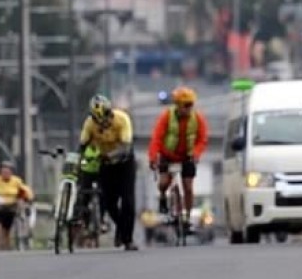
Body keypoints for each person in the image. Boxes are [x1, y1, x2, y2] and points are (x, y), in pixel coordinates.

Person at [79, 94, 138, 251]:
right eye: (97, 120)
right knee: (109, 203)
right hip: (105, 164)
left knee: (128, 202)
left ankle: (128, 239)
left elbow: (126, 147)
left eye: (104, 118)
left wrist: (110, 155)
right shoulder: (90, 124)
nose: (103, 123)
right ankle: (120, 227)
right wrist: (79, 160)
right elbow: (83, 145)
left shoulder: (122, 119)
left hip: (124, 163)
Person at [148, 86, 209, 236]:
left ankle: (187, 219)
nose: (189, 108)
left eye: (191, 105)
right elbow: (156, 138)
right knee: (163, 183)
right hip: (167, 155)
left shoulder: (198, 119)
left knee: (188, 186)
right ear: (178, 105)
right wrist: (153, 157)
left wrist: (196, 153)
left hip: (187, 156)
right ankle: (163, 197)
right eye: (186, 105)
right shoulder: (166, 117)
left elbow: (202, 139)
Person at [0, 160, 34, 251]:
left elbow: (27, 192)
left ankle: (7, 248)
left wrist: (25, 198)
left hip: (12, 208)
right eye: (3, 171)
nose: (5, 173)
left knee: (6, 231)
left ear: (11, 172)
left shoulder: (16, 181)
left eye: (7, 171)